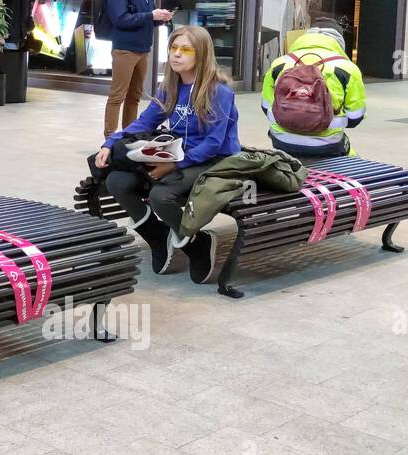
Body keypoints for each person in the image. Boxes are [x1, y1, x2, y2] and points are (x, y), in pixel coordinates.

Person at [91, 25, 241, 282]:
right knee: (116, 180)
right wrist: (111, 142)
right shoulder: (170, 87)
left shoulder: (219, 92)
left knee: (161, 195)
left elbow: (213, 143)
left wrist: (173, 166)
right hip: (176, 154)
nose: (176, 54)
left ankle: (196, 243)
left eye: (185, 49)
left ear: (202, 55)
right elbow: (144, 123)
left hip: (214, 160)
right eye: (173, 48)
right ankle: (156, 235)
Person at [260, 21, 365, 158]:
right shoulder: (347, 69)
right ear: (339, 42)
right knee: (352, 156)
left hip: (282, 140)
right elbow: (355, 117)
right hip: (327, 143)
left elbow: (266, 106)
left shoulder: (280, 63)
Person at [102, 0, 173, 138]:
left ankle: (129, 134)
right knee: (118, 95)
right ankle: (110, 138)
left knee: (134, 97)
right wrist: (151, 15)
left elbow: (145, 17)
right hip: (125, 49)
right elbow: (120, 19)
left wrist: (160, 18)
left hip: (142, 49)